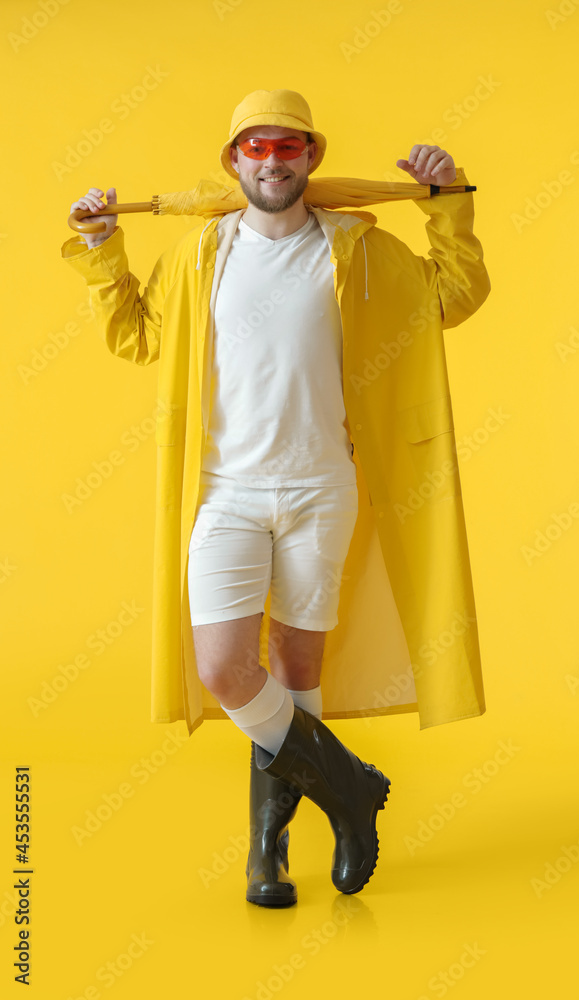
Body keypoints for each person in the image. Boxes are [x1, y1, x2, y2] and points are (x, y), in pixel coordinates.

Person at [64, 88, 490, 909]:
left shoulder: (357, 249)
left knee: (297, 669)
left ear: (310, 159)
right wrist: (101, 247)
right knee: (227, 669)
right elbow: (137, 336)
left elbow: (453, 297)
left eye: (286, 147)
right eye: (253, 148)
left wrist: (449, 204)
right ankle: (349, 789)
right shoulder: (200, 254)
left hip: (322, 488)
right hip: (225, 494)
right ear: (233, 162)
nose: (270, 160)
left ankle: (268, 853)